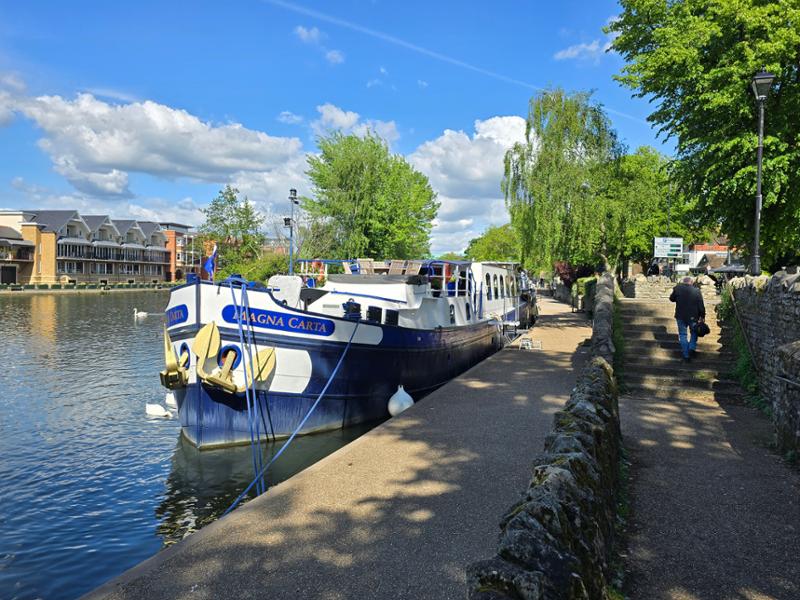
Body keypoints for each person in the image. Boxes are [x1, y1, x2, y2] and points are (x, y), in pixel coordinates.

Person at [669, 276, 705, 362]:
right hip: (693, 316)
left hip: (680, 316)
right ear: (691, 282)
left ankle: (686, 355)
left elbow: (671, 298)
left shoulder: (677, 288)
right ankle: (691, 348)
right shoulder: (696, 291)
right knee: (694, 333)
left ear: (683, 282)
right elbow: (701, 305)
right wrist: (702, 316)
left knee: (682, 335)